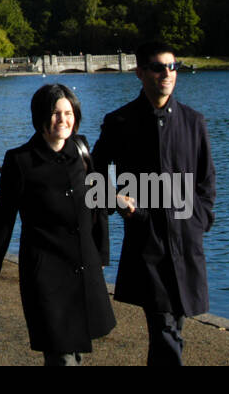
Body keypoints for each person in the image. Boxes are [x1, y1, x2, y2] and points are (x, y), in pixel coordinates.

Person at [92, 40, 216, 367]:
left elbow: (206, 182)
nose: (167, 74)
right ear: (140, 72)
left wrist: (199, 221)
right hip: (147, 243)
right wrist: (114, 199)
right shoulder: (119, 122)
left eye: (172, 67)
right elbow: (93, 178)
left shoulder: (194, 122)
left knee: (172, 327)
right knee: (164, 328)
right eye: (159, 67)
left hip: (186, 240)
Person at [0, 83, 115, 365]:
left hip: (84, 266)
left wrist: (101, 255)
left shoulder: (82, 151)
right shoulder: (20, 161)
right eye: (54, 113)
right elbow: (3, 219)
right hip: (46, 275)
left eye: (68, 112)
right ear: (39, 116)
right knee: (61, 355)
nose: (63, 120)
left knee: (76, 351)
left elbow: (99, 206)